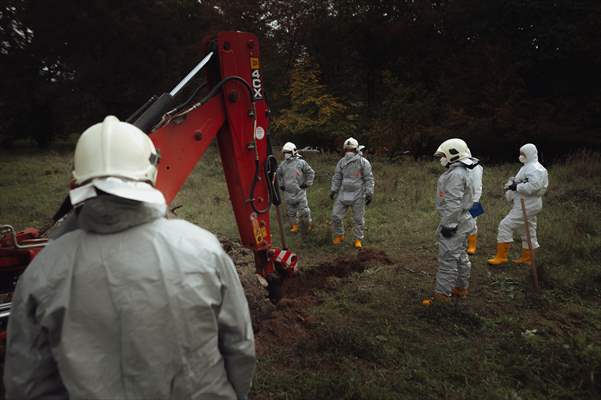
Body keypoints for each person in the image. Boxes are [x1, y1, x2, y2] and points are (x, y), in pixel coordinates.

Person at [3, 116, 256, 400]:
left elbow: (26, 383)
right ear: (152, 175)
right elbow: (240, 347)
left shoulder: (42, 271)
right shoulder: (204, 250)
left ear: (75, 183)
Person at [423, 138, 476, 305]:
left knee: (447, 259)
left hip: (456, 222)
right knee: (460, 255)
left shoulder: (455, 174)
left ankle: (442, 297)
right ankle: (461, 289)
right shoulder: (461, 171)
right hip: (464, 220)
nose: (441, 159)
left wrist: (449, 225)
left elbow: (453, 202)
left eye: (443, 155)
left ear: (453, 155)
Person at [488, 143, 548, 266]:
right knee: (527, 229)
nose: (521, 156)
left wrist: (516, 186)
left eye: (523, 154)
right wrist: (513, 183)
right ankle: (527, 258)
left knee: (505, 225)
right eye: (520, 153)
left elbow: (534, 186)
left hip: (527, 204)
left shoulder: (534, 168)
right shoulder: (528, 166)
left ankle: (501, 257)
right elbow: (523, 180)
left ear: (530, 154)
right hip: (528, 203)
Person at [330, 137, 375, 249]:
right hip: (343, 193)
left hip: (358, 194)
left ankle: (358, 239)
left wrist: (369, 193)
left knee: (358, 219)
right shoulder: (341, 162)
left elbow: (369, 178)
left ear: (356, 150)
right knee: (335, 215)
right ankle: (340, 235)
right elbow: (337, 177)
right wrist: (333, 190)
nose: (349, 152)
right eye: (347, 149)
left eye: (351, 149)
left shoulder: (363, 162)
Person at [276, 142, 315, 233]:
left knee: (304, 211)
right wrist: (281, 184)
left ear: (293, 151)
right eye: (285, 152)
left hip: (299, 191)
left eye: (288, 152)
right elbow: (278, 175)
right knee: (291, 212)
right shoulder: (283, 164)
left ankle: (307, 225)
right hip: (288, 192)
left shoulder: (301, 163)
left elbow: (311, 172)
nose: (286, 154)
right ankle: (294, 226)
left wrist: (307, 183)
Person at [466, 149, 484, 255]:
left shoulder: (475, 167)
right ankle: (462, 242)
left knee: (471, 222)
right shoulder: (460, 166)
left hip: (473, 199)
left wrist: (475, 202)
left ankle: (472, 245)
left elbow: (477, 187)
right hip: (462, 199)